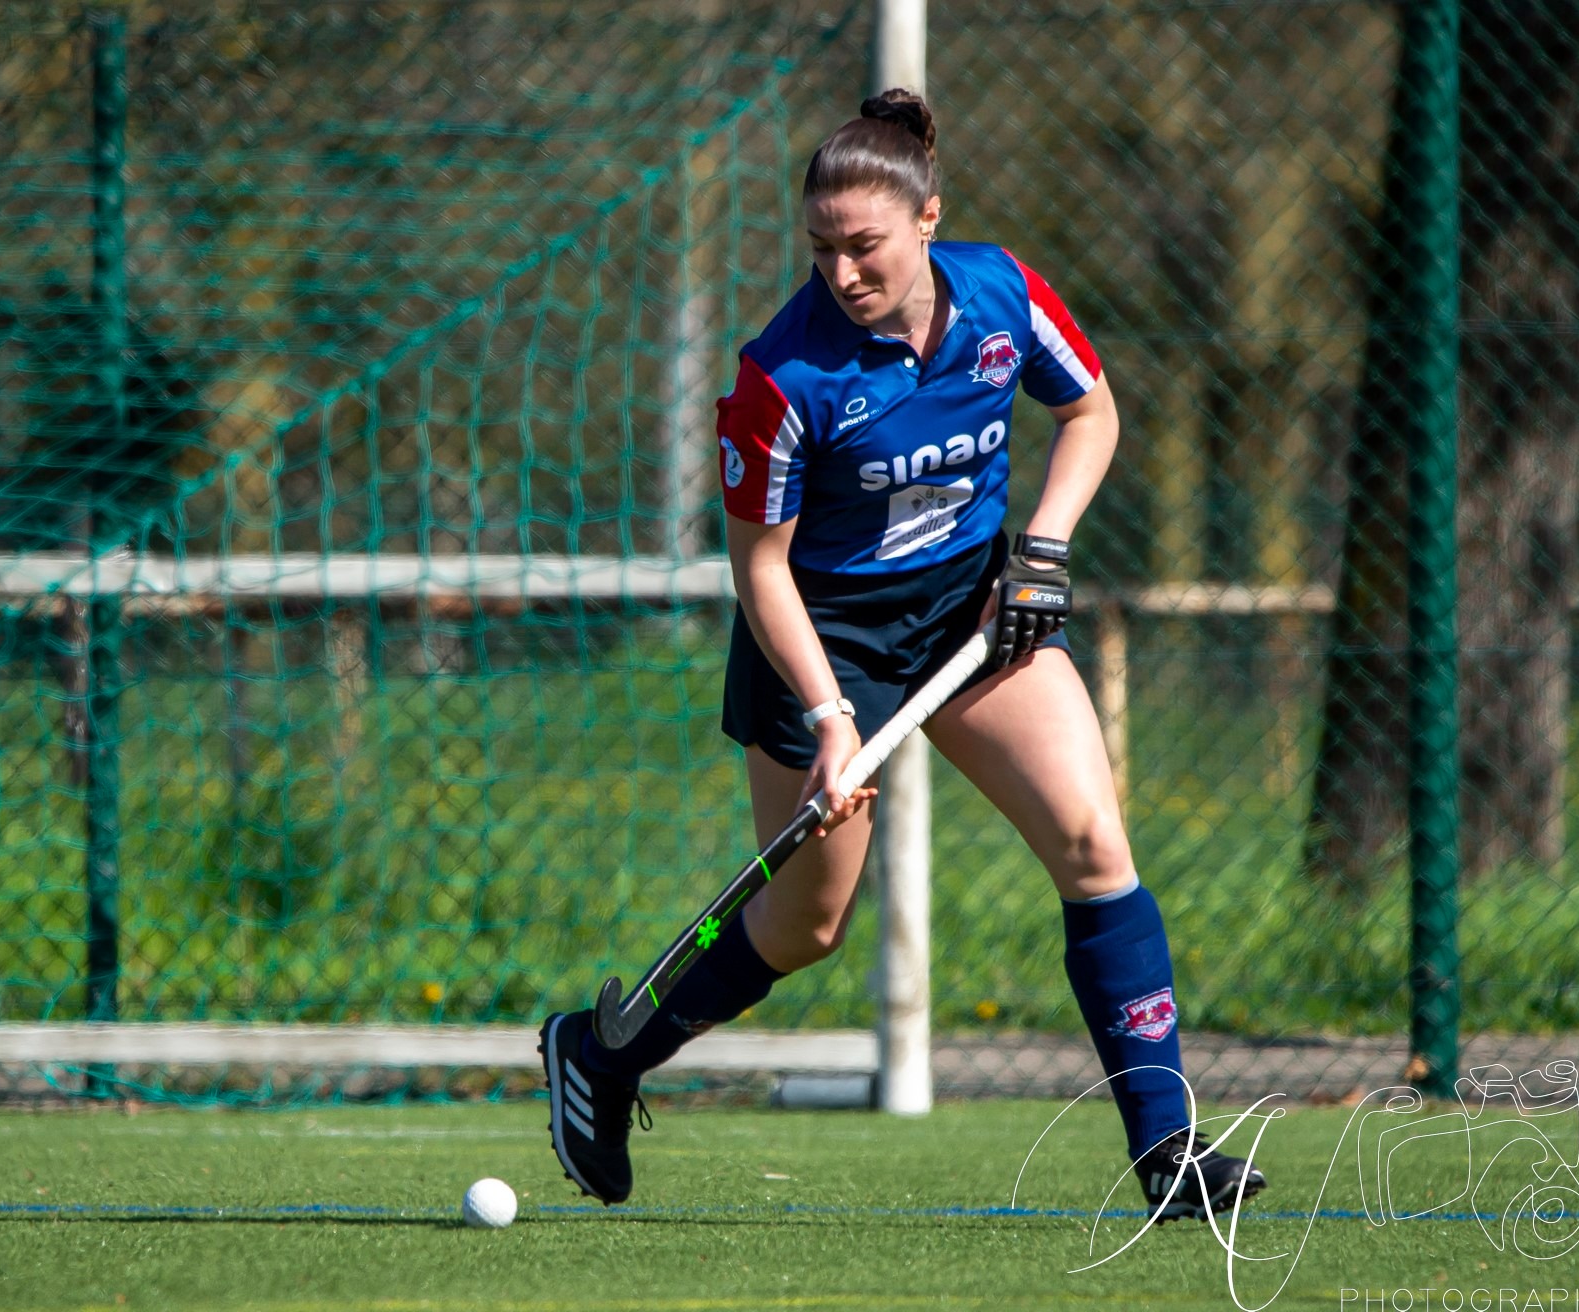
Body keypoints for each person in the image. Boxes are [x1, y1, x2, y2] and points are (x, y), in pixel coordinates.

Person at [540, 89, 1266, 1223]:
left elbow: (1093, 414)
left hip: (978, 611)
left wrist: (1045, 550)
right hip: (823, 643)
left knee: (1091, 837)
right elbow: (761, 569)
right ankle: (602, 1051)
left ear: (929, 217)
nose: (841, 271)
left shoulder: (1002, 293)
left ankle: (1170, 1155)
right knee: (810, 924)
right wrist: (832, 714)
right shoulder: (782, 379)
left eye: (864, 244)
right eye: (821, 248)